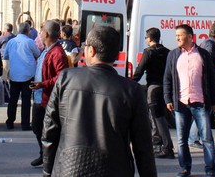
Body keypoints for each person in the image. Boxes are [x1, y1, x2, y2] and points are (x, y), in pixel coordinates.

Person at [42, 25, 156, 177]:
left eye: (86, 46)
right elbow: (143, 146)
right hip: (114, 169)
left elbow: (49, 131)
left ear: (92, 50)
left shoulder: (66, 78)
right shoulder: (131, 90)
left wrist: (47, 171)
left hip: (69, 167)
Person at [163, 24, 215, 177]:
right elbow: (167, 78)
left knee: (207, 139)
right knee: (181, 140)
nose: (177, 38)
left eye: (180, 35)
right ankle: (185, 168)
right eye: (176, 36)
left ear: (190, 37)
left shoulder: (202, 54)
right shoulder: (173, 55)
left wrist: (214, 102)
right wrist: (168, 98)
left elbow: (211, 79)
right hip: (181, 104)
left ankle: (210, 170)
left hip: (200, 103)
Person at [28, 20, 69, 168]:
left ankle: (49, 158)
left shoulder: (57, 53)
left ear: (46, 34)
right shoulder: (46, 50)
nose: (39, 34)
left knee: (47, 131)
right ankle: (43, 154)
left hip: (48, 98)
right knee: (37, 128)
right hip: (40, 96)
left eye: (41, 31)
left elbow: (61, 77)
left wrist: (43, 84)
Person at [132, 26, 174, 159]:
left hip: (154, 88)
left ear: (149, 38)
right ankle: (159, 144)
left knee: (157, 118)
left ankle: (167, 147)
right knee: (161, 117)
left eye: (146, 38)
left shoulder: (148, 52)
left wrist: (131, 83)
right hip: (166, 88)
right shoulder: (168, 52)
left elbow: (140, 70)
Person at [2, 21, 40, 130]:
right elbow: (37, 54)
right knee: (26, 100)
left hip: (14, 75)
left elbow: (6, 56)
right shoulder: (30, 42)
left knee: (13, 99)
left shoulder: (11, 42)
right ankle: (25, 123)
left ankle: (10, 121)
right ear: (28, 31)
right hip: (28, 75)